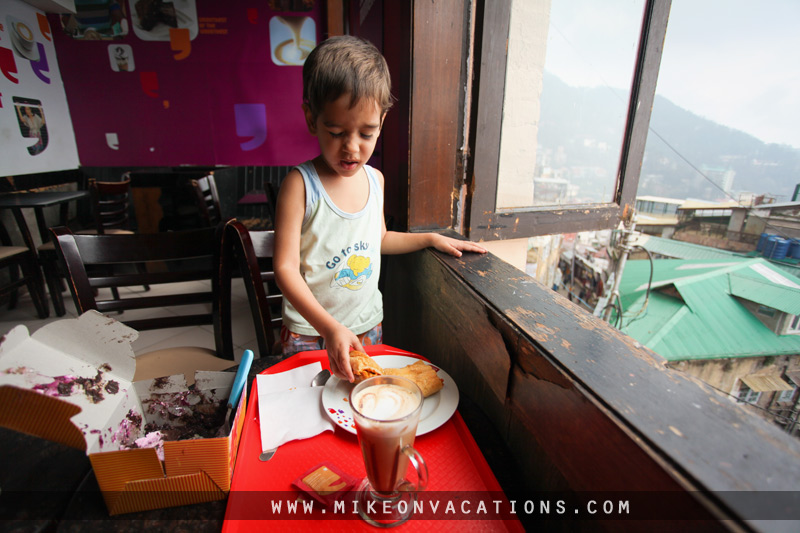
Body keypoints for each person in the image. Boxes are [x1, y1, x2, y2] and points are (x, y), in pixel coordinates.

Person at [274, 35, 486, 382]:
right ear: (311, 118)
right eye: (336, 131)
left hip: (366, 326)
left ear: (382, 123)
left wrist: (430, 238)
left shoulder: (376, 181)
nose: (351, 147)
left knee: (363, 401)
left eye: (366, 133)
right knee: (309, 408)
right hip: (310, 332)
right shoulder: (300, 185)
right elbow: (285, 269)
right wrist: (329, 328)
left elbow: (380, 239)